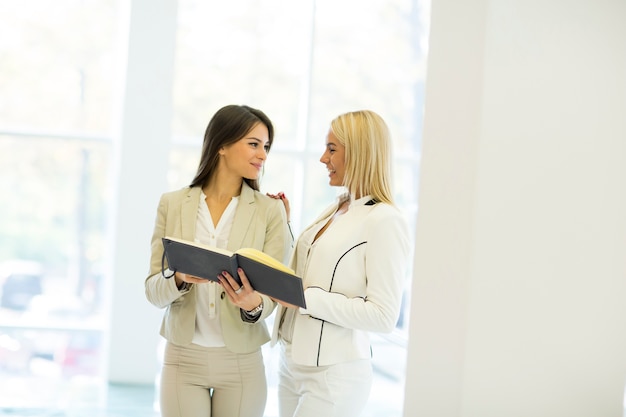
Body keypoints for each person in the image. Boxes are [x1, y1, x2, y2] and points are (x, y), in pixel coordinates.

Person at [144, 104, 291, 417]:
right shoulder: (172, 204)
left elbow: (275, 293)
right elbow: (153, 290)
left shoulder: (270, 211)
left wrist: (252, 304)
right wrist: (180, 278)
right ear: (222, 145)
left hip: (241, 362)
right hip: (182, 359)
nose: (263, 155)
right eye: (253, 144)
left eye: (265, 147)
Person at [274, 110, 410, 417]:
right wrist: (285, 224)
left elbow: (383, 316)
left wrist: (304, 299)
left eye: (332, 149)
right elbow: (316, 266)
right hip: (292, 360)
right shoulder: (339, 207)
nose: (323, 158)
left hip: (334, 375)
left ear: (360, 152)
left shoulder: (385, 220)